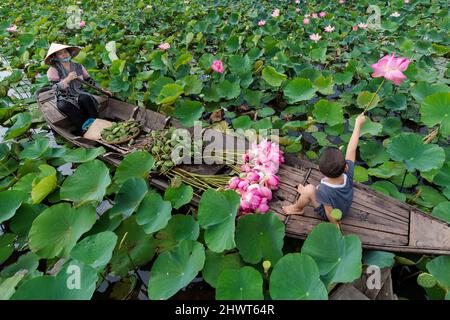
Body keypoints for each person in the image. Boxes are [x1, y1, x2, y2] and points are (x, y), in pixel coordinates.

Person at [282, 113, 366, 229]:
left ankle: (297, 208)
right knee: (314, 190)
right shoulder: (348, 172)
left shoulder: (325, 190)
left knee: (310, 189)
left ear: (320, 170)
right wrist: (357, 125)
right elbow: (352, 149)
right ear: (345, 166)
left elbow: (329, 211)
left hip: (334, 213)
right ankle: (305, 193)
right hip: (345, 206)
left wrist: (335, 224)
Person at [44, 43, 112, 133]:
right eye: (60, 53)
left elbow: (89, 80)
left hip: (79, 92)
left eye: (65, 52)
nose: (64, 54)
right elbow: (54, 88)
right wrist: (67, 79)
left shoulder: (78, 66)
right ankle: (83, 129)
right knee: (64, 106)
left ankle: (97, 123)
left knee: (86, 98)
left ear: (69, 53)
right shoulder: (53, 70)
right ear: (55, 57)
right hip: (64, 96)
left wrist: (102, 89)